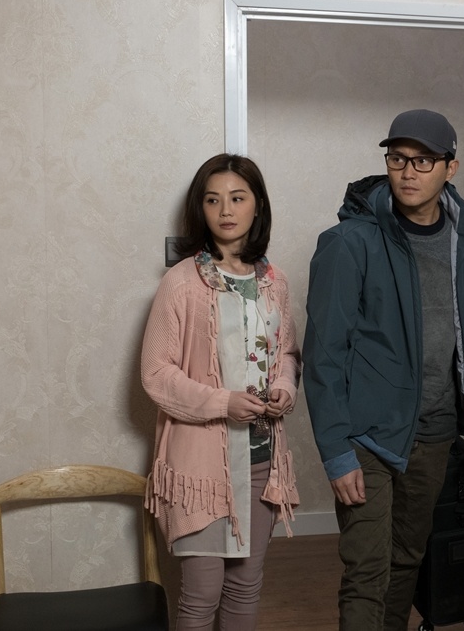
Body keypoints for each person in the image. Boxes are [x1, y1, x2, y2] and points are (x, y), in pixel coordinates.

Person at [303, 109, 464, 630]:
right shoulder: (349, 242)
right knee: (367, 572)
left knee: (407, 561)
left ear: (450, 168)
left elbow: (456, 333)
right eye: (397, 158)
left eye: (423, 160)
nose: (407, 171)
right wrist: (336, 452)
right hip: (367, 437)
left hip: (435, 432)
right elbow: (323, 354)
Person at [141, 153, 301, 631]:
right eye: (213, 200)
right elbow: (156, 373)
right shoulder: (181, 283)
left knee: (245, 588)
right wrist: (223, 403)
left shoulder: (274, 282)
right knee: (200, 596)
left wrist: (284, 386)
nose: (226, 210)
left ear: (257, 205)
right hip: (201, 469)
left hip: (262, 461)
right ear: (200, 209)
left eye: (237, 197)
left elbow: (288, 353)